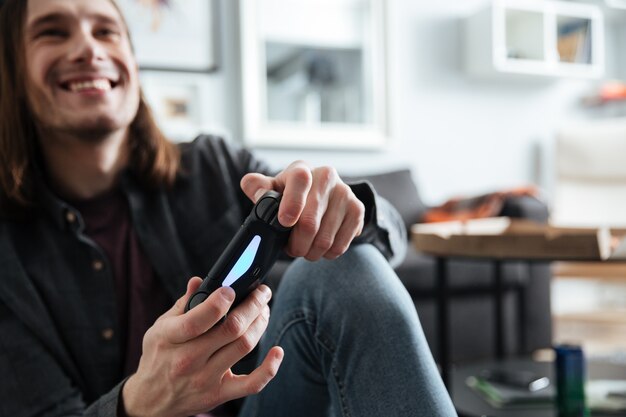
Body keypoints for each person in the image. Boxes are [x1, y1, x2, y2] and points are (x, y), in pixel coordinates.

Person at [0, 0, 457, 416]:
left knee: (346, 266)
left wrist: (344, 213)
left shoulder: (213, 167)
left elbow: (392, 239)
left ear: (133, 64)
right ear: (13, 69)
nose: (87, 48)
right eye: (52, 32)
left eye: (106, 31)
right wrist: (137, 402)